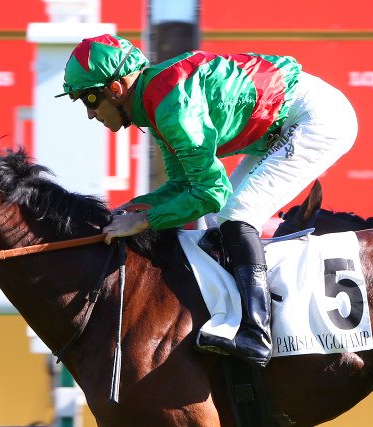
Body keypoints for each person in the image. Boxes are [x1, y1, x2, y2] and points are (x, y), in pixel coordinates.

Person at [56, 34, 357, 367]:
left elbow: (211, 193)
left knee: (237, 214)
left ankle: (256, 333)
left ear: (116, 89)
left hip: (314, 118)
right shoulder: (156, 101)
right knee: (222, 221)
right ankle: (238, 315)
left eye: (89, 98)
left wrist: (142, 220)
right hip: (285, 120)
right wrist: (131, 209)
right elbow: (182, 185)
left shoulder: (170, 107)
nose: (90, 113)